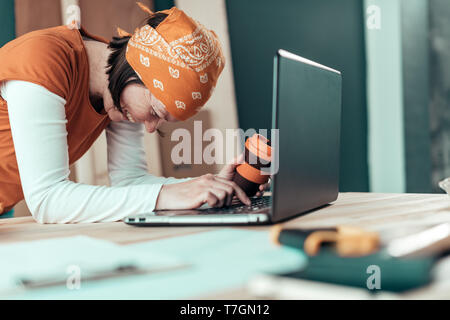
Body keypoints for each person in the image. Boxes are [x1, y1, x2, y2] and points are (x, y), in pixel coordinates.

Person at [0, 3, 263, 223]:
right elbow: (48, 200)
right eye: (154, 111)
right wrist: (169, 195)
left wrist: (210, 187)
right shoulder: (43, 60)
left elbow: (130, 181)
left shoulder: (119, 89)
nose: (149, 127)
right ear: (136, 70)